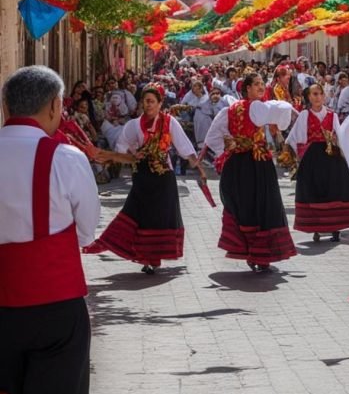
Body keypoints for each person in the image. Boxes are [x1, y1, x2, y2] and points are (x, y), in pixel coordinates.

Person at [0, 66, 100, 394]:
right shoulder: (66, 158)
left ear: (5, 107)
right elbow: (86, 232)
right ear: (55, 106)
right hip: (55, 302)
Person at [84, 83, 205, 274]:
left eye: (151, 101)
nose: (147, 105)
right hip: (142, 176)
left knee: (159, 217)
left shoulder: (169, 122)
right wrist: (113, 157)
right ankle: (135, 252)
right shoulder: (133, 126)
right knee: (137, 213)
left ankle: (152, 258)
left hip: (164, 176)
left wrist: (200, 169)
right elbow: (121, 149)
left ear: (160, 103)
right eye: (144, 101)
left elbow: (184, 148)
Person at [205, 74, 297, 272]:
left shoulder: (247, 110)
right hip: (250, 164)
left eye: (263, 84)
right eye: (256, 84)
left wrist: (230, 146)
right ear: (247, 88)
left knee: (254, 206)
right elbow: (212, 137)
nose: (261, 87)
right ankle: (256, 253)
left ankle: (255, 253)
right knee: (255, 206)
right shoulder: (247, 108)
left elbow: (212, 137)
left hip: (248, 163)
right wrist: (229, 148)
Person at [285, 83, 349, 243]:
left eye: (320, 94)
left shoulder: (332, 116)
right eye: (314, 94)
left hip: (332, 157)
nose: (318, 97)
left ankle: (335, 227)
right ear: (309, 97)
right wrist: (299, 157)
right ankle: (316, 226)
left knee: (335, 189)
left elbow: (340, 135)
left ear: (324, 96)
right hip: (312, 158)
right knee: (314, 190)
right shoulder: (304, 115)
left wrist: (335, 140)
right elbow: (294, 138)